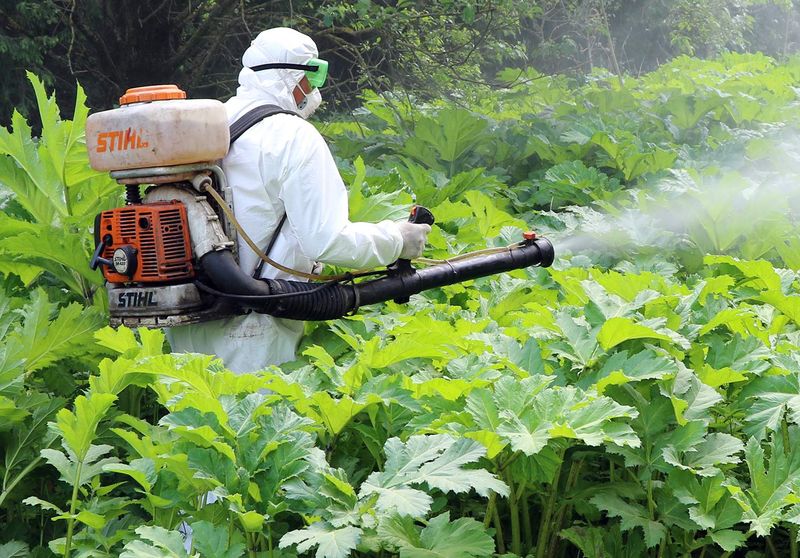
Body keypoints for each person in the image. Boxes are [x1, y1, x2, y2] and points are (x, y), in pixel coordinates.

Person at [167, 28, 430, 373]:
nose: (315, 89)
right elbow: (327, 240)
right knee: (255, 422)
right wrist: (398, 239)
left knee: (192, 423)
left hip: (187, 324)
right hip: (254, 329)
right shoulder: (291, 135)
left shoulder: (205, 125)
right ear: (292, 76)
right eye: (313, 75)